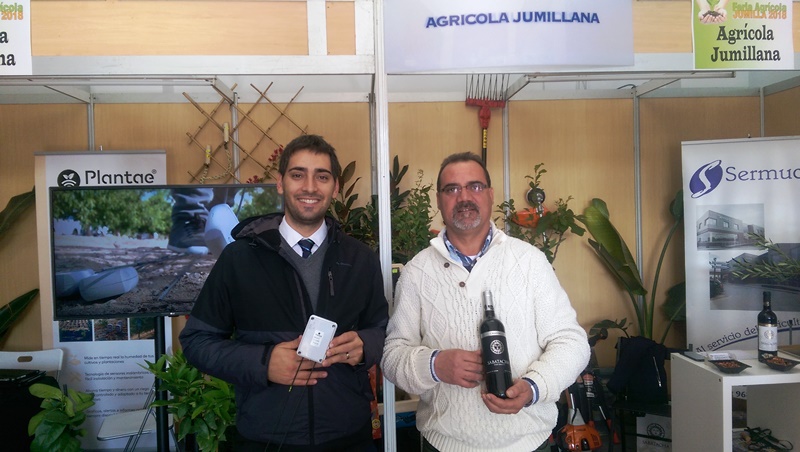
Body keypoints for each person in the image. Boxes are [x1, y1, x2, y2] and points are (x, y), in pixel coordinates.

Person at [180, 134, 389, 451]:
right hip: (266, 438)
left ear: (334, 187)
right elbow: (197, 342)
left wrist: (366, 344)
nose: (309, 186)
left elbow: (383, 329)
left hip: (349, 435)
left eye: (322, 176)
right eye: (297, 174)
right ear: (280, 183)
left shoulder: (360, 258)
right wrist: (264, 363)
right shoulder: (239, 258)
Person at [381, 152, 590, 452]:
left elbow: (572, 342)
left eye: (475, 186)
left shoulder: (529, 262)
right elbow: (392, 356)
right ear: (439, 201)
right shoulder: (417, 272)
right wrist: (435, 365)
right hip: (444, 445)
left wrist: (534, 387)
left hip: (529, 444)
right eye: (452, 189)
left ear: (491, 195)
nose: (464, 197)